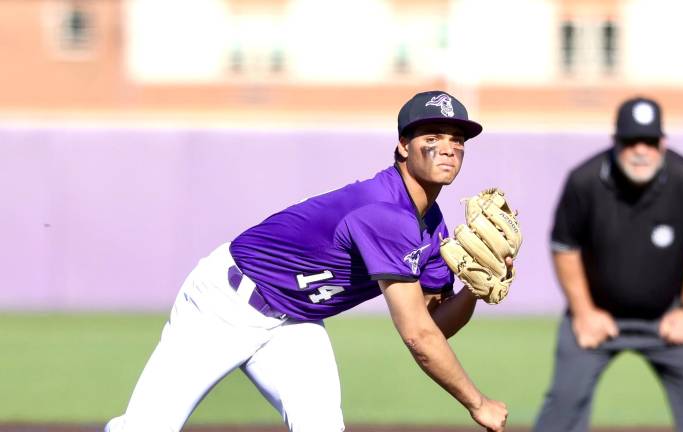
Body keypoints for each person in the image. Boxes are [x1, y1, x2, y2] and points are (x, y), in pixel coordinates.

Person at [105, 90, 509, 432]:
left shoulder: (433, 226)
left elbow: (436, 323)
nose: (450, 147)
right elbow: (419, 337)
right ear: (404, 145)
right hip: (226, 302)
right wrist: (476, 402)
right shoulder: (384, 213)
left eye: (458, 139)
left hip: (294, 321)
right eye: (434, 135)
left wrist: (472, 291)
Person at [533, 96, 683, 432]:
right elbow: (564, 247)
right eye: (631, 141)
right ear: (615, 142)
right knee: (563, 404)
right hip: (597, 315)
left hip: (667, 315)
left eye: (650, 141)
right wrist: (583, 312)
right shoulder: (584, 180)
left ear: (663, 143)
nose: (641, 150)